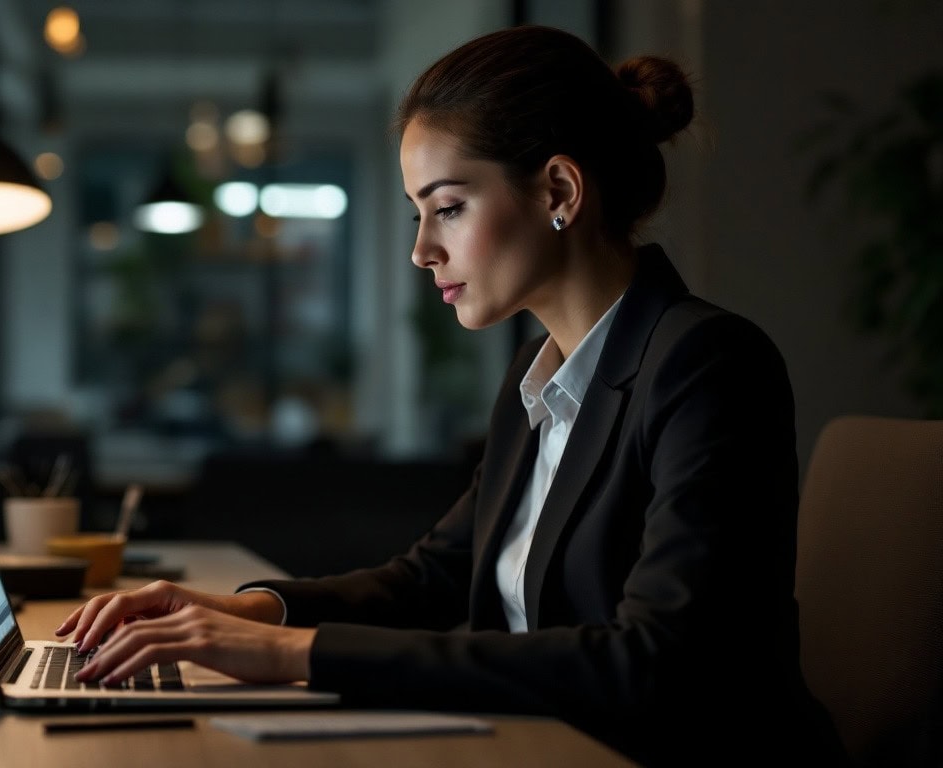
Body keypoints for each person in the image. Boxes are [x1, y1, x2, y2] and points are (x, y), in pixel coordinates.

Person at [58, 25, 846, 766]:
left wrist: (293, 655)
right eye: (418, 213)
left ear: (559, 190)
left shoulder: (706, 364)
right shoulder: (537, 376)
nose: (421, 249)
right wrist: (242, 612)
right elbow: (432, 578)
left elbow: (657, 662)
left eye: (449, 207)